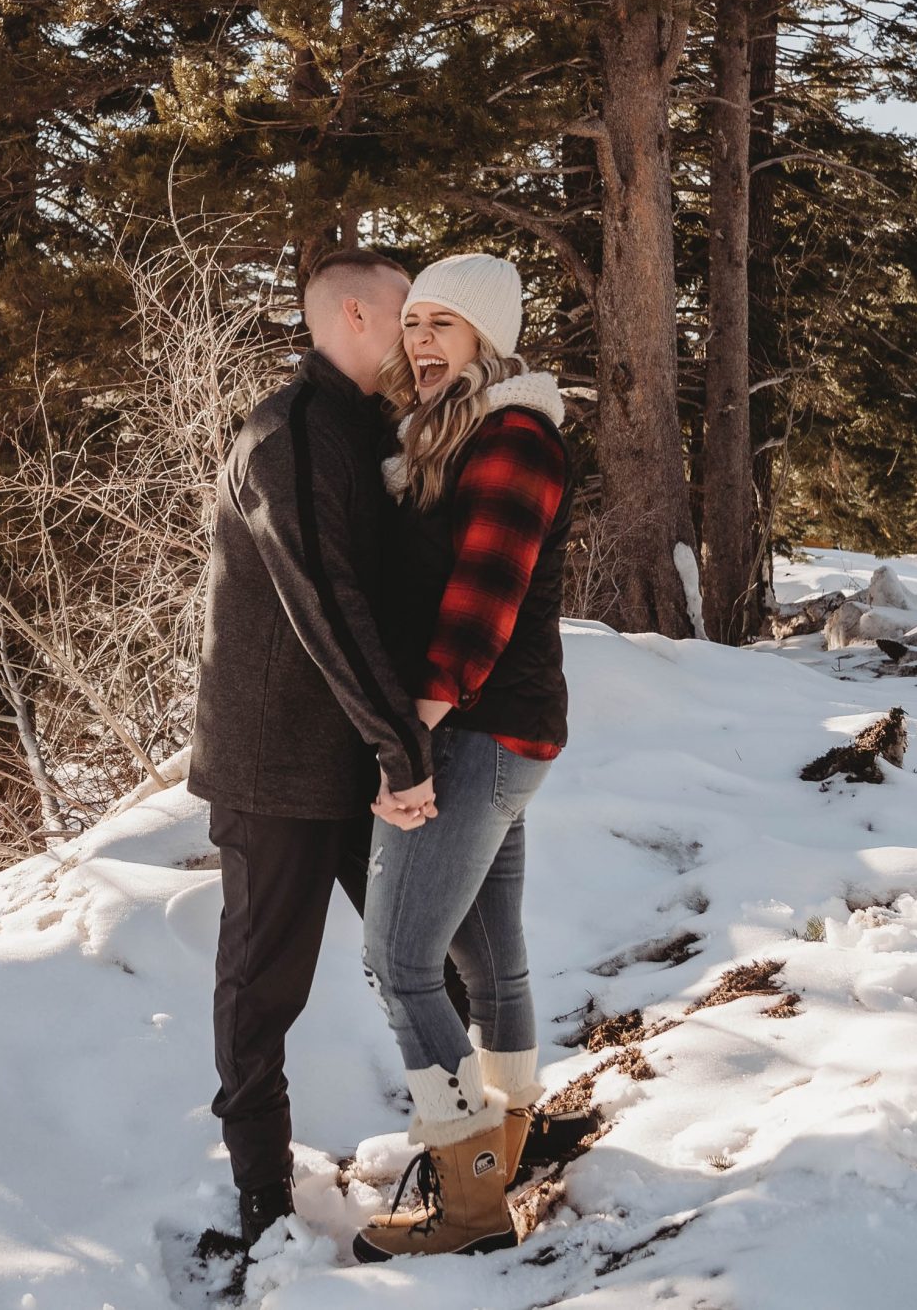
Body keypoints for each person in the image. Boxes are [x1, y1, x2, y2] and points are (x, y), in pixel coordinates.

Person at [187, 248, 441, 1262]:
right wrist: (400, 744)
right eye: (404, 315)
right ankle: (260, 1197)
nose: (418, 335)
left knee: (432, 952)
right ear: (350, 314)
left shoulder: (363, 429)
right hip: (275, 769)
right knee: (263, 986)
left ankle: (473, 1145)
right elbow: (323, 601)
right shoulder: (285, 435)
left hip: (356, 762)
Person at [352, 252, 580, 1262]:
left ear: (487, 335)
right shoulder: (460, 435)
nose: (420, 340)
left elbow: (480, 611)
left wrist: (409, 744)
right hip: (500, 732)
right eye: (414, 323)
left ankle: (469, 1197)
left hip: (476, 730)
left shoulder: (515, 439)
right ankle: (505, 1147)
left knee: (399, 962)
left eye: (443, 323)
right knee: (488, 957)